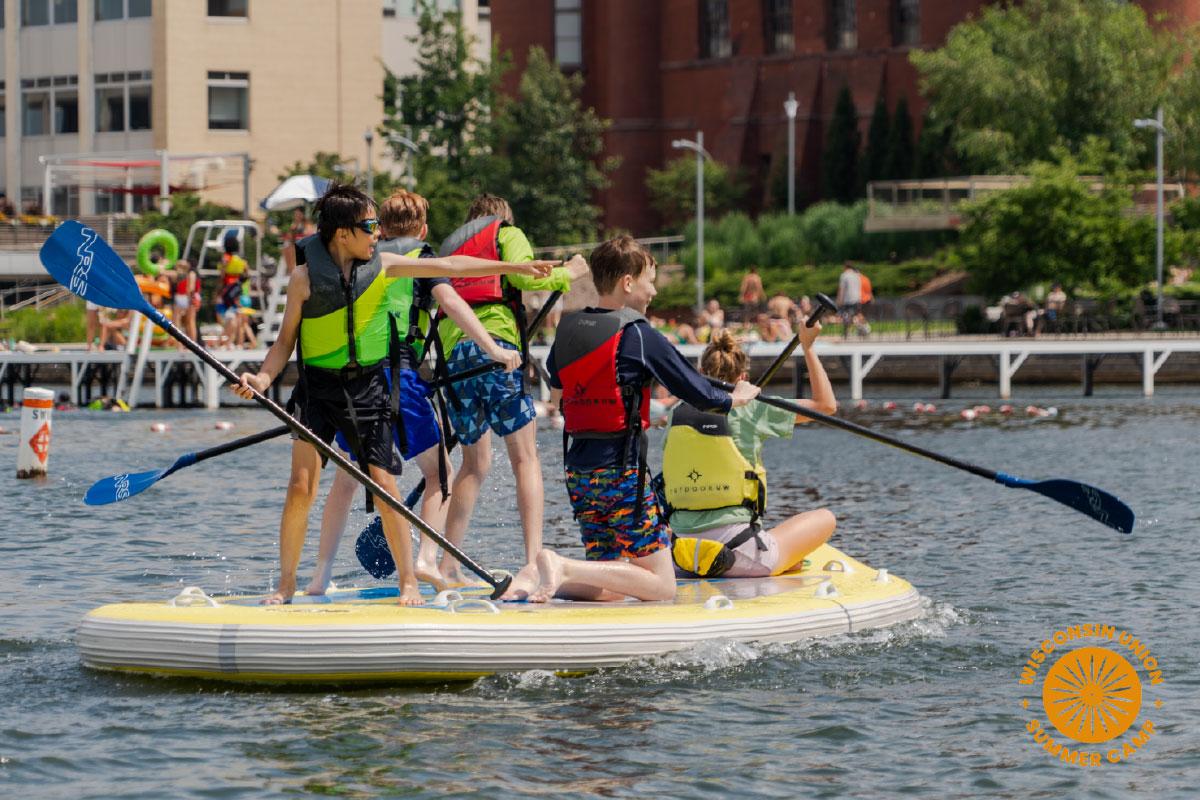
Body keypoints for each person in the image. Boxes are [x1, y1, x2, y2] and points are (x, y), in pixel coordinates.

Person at [230, 183, 553, 606]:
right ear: (343, 233)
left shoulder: (383, 264)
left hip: (366, 388)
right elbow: (284, 342)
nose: (378, 233)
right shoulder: (304, 278)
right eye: (369, 226)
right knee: (300, 485)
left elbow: (452, 266)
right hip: (318, 390)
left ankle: (409, 582)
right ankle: (287, 583)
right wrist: (263, 380)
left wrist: (517, 270)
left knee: (383, 483)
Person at [502, 236, 761, 603]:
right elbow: (698, 391)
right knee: (662, 585)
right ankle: (563, 565)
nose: (653, 290)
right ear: (628, 282)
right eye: (649, 281)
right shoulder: (639, 335)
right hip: (620, 475)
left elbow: (557, 379)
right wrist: (735, 397)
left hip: (579, 472)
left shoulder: (569, 328)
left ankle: (531, 576)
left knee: (604, 590)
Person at [304, 189, 534, 594]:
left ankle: (319, 577)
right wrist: (495, 349)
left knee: (347, 478)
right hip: (401, 377)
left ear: (381, 228)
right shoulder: (420, 262)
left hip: (353, 379)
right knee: (440, 473)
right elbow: (453, 303)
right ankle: (428, 559)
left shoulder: (364, 260)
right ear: (424, 228)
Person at [434, 193, 589, 584]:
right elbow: (523, 274)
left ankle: (447, 565)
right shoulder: (507, 232)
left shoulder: (449, 248)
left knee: (473, 464)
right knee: (525, 459)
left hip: (455, 358)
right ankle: (534, 563)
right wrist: (569, 272)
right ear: (501, 219)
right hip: (497, 346)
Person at [661, 325, 838, 579]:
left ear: (701, 374)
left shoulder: (675, 413)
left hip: (681, 555)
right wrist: (807, 347)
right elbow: (826, 405)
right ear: (743, 379)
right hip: (741, 554)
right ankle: (781, 558)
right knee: (825, 518)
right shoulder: (755, 409)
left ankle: (781, 557)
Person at [172, 260, 201, 349]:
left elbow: (191, 288)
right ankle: (192, 344)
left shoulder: (191, 273)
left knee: (185, 321)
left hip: (189, 298)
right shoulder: (192, 273)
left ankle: (186, 344)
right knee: (189, 322)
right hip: (192, 297)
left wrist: (189, 301)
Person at [836, 261, 863, 336]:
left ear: (845, 267)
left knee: (846, 316)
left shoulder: (844, 275)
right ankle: (862, 327)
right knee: (856, 315)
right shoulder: (857, 275)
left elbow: (842, 289)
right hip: (857, 298)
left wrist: (839, 300)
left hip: (848, 299)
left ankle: (847, 332)